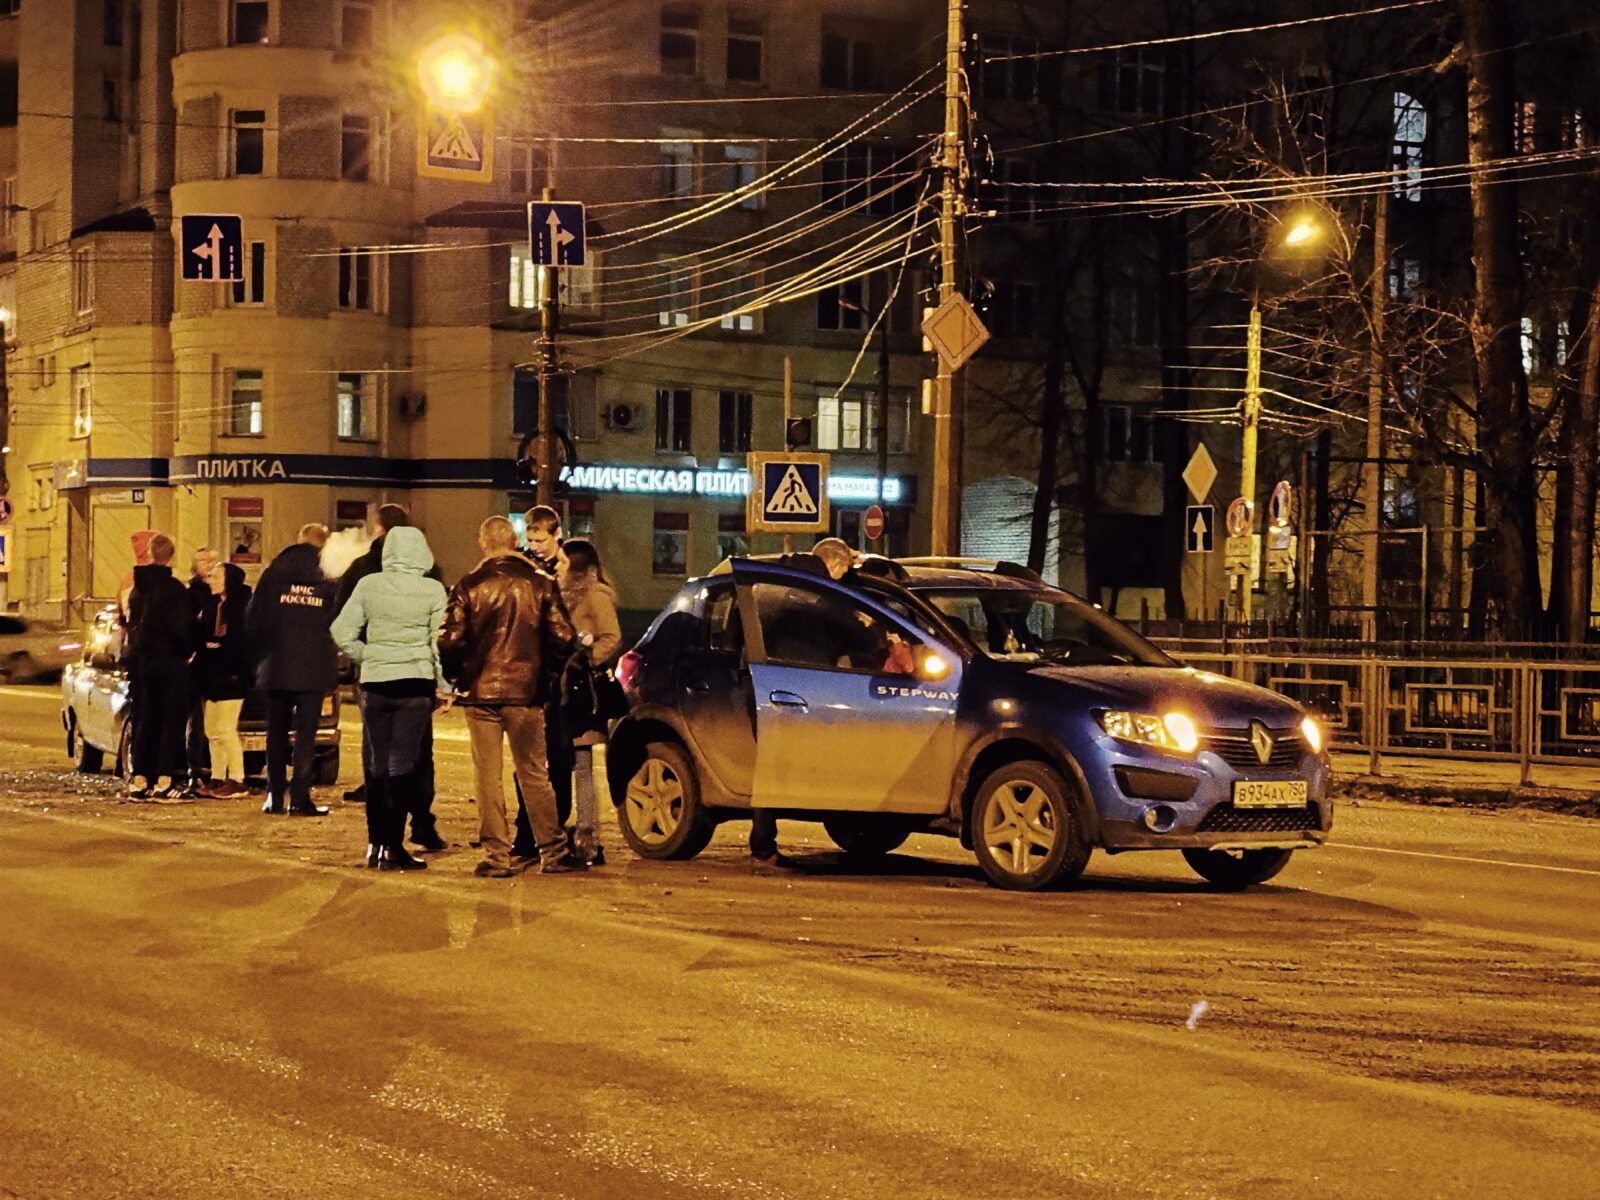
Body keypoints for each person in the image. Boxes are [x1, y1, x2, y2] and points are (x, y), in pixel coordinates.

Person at [439, 515, 578, 877]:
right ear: (515, 541)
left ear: (483, 543)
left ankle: (497, 857)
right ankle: (553, 851)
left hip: (481, 694)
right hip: (526, 693)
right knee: (533, 772)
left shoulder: (469, 585)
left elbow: (450, 639)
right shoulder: (541, 583)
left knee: (487, 776)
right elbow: (564, 637)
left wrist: (459, 676)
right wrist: (544, 675)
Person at [331, 525, 449, 872]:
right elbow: (437, 643)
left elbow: (341, 631)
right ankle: (394, 846)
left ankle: (374, 843)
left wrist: (366, 655)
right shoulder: (433, 590)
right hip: (414, 684)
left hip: (376, 685)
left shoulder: (369, 585)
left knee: (376, 766)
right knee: (402, 765)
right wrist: (444, 684)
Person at [245, 523, 336, 817]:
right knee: (306, 736)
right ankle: (300, 798)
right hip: (313, 666)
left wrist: (261, 657)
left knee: (276, 733)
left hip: (276, 664)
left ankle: (274, 796)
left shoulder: (274, 572)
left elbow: (254, 617)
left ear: (299, 540)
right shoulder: (329, 574)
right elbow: (338, 617)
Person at [512, 505, 577, 856]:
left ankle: (553, 829)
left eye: (540, 539)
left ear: (557, 535)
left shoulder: (569, 575)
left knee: (559, 761)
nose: (534, 545)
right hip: (531, 679)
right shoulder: (525, 568)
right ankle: (527, 832)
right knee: (530, 762)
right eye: (530, 538)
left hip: (560, 683)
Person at [556, 538, 622, 866]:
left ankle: (587, 836)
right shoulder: (559, 594)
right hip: (560, 691)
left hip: (581, 693)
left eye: (563, 562)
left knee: (582, 766)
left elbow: (611, 636)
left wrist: (585, 662)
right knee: (560, 765)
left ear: (575, 566)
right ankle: (567, 830)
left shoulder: (595, 595)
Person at [123, 533, 193, 799]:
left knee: (145, 718)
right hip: (171, 661)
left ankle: (140, 776)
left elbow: (130, 624)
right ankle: (165, 777)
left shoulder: (137, 588)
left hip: (143, 663)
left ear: (150, 554)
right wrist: (187, 652)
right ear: (171, 557)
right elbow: (180, 628)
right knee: (171, 721)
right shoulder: (175, 589)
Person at [191, 561, 252, 798]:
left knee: (226, 730)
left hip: (232, 678)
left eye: (216, 576)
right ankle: (217, 778)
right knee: (211, 730)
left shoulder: (242, 606)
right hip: (212, 678)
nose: (210, 580)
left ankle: (237, 779)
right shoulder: (212, 604)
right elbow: (203, 636)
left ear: (230, 580)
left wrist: (216, 646)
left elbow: (238, 642)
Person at [183, 547, 220, 794]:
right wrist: (200, 644)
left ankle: (216, 771)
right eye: (203, 561)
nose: (208, 565)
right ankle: (195, 770)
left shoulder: (222, 593)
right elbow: (188, 627)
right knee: (196, 722)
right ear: (195, 566)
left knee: (219, 724)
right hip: (197, 668)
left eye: (213, 561)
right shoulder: (191, 594)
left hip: (217, 667)